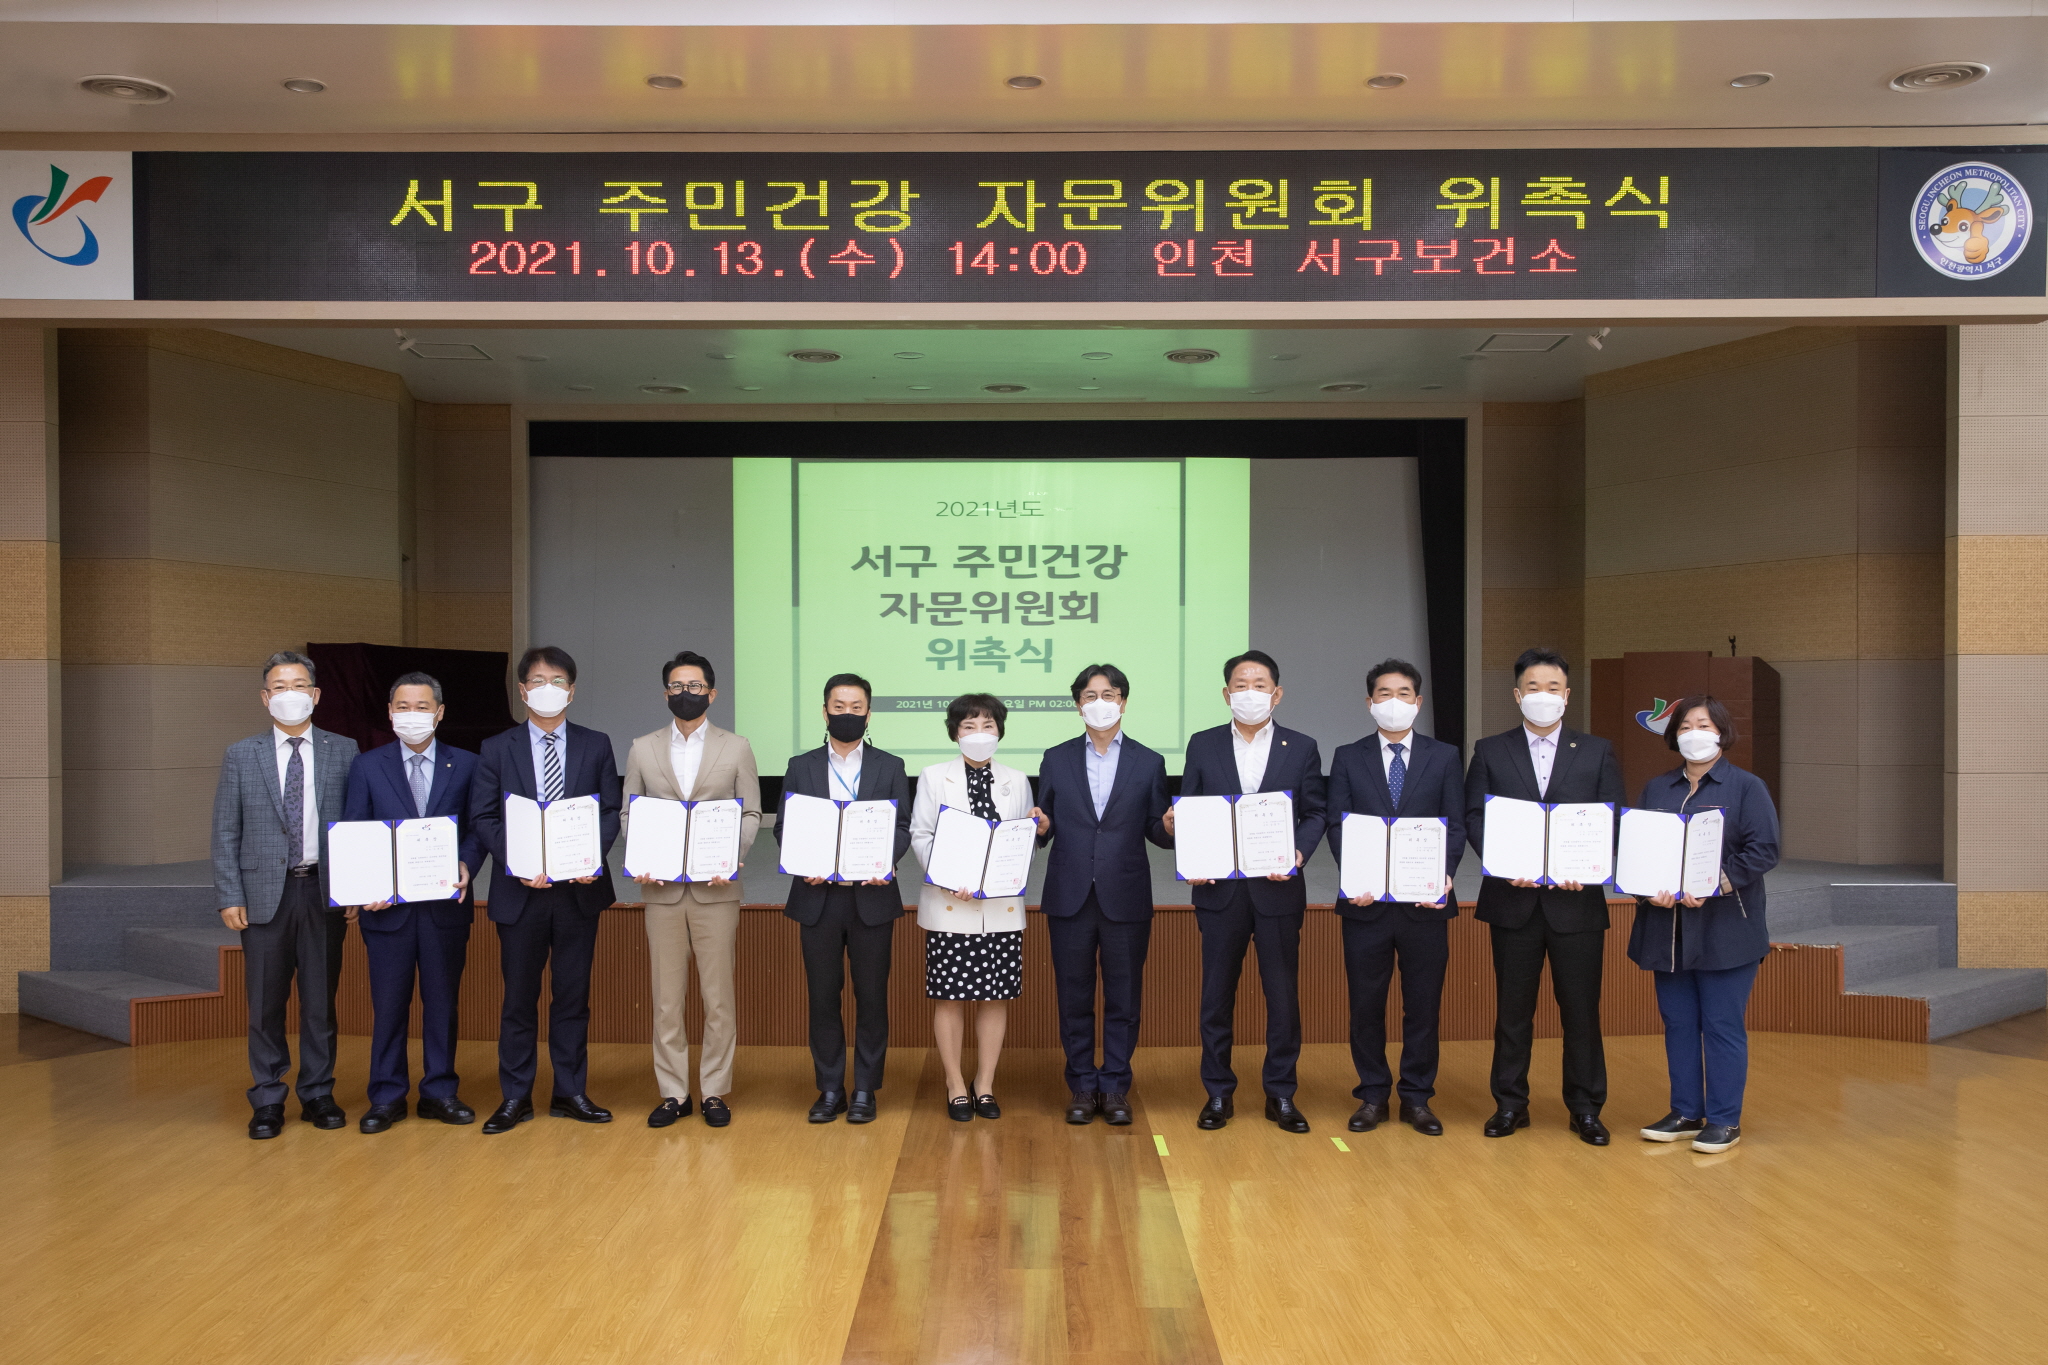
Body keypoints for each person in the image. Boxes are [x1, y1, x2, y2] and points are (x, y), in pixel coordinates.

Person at [1464, 647, 1625, 1146]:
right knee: (1513, 1011)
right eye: (1532, 687)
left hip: (1576, 904)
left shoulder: (1596, 751)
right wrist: (1503, 863)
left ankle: (1586, 1108)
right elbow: (1474, 817)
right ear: (1517, 695)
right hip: (1512, 903)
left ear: (1567, 695)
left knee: (1581, 1011)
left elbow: (1612, 818)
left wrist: (1588, 867)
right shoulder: (1490, 750)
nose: (1543, 695)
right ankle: (1510, 1104)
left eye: (1552, 687)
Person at [1169, 649, 1327, 1134]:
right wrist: (1185, 841)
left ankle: (1281, 1093)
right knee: (1216, 997)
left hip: (1278, 891)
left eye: (1260, 685)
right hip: (1220, 891)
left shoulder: (1302, 747)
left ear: (1277, 694)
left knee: (1282, 998)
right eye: (1241, 685)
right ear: (1226, 694)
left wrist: (1298, 854)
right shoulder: (1203, 744)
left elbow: (1315, 812)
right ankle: (1218, 1092)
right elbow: (1191, 808)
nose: (1250, 693)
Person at [470, 646, 623, 1135]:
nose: (547, 689)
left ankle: (569, 1091)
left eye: (557, 681)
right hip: (521, 893)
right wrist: (518, 861)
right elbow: (484, 816)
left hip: (578, 890)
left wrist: (590, 857)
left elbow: (609, 810)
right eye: (538, 680)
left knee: (572, 997)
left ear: (571, 691)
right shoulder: (497, 748)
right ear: (522, 690)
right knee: (519, 999)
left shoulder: (596, 744)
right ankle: (515, 1096)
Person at [210, 651, 359, 1140]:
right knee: (265, 1002)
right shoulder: (241, 754)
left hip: (323, 889)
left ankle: (318, 1092)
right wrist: (229, 894)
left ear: (315, 695)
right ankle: (268, 1097)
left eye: (298, 685)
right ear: (264, 697)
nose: (288, 694)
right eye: (279, 687)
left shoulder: (344, 750)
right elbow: (225, 830)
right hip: (262, 894)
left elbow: (357, 824)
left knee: (320, 1001)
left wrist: (355, 886)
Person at [1628, 695, 1780, 1154]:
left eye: (1704, 725)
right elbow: (1638, 851)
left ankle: (1724, 1120)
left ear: (1721, 733)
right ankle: (1685, 1112)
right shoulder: (1657, 789)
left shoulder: (1746, 787)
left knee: (1721, 1024)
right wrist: (1646, 889)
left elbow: (1764, 849)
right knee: (1678, 1023)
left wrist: (1715, 883)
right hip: (1667, 928)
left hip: (1725, 928)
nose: (1694, 733)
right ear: (1674, 735)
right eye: (1685, 726)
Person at [622, 649, 763, 1130]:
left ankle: (715, 1090)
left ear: (712, 693)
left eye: (695, 686)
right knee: (667, 999)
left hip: (716, 890)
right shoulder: (642, 747)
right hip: (661, 891)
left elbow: (750, 812)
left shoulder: (736, 747)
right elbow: (630, 812)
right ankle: (674, 1093)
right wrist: (641, 858)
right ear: (666, 694)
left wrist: (730, 856)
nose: (687, 693)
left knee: (717, 998)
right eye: (678, 687)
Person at [1326, 659, 1466, 1137]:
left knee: (1422, 1006)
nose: (1394, 702)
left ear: (1418, 702)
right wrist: (1355, 875)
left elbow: (1455, 824)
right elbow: (1337, 823)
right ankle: (1371, 1094)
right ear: (1369, 703)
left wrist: (1445, 874)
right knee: (1366, 1005)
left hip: (1425, 905)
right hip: (1366, 905)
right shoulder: (1348, 756)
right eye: (1384, 694)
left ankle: (1417, 1098)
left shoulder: (1444, 756)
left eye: (1403, 694)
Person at [340, 671, 483, 1133]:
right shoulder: (367, 766)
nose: (412, 715)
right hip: (387, 912)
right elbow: (355, 830)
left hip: (445, 908)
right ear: (389, 713)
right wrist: (365, 886)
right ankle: (386, 1095)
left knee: (442, 1003)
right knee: (389, 1005)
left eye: (422, 707)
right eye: (403, 707)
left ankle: (440, 1091)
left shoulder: (467, 764)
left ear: (439, 713)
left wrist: (467, 864)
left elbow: (479, 826)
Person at [1034, 663, 1171, 1126]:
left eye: (1109, 695)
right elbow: (1045, 822)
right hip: (1069, 894)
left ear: (1123, 702)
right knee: (1073, 997)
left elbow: (1155, 828)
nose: (1100, 703)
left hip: (1125, 894)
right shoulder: (1055, 758)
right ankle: (1081, 1085)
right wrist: (1041, 827)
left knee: (1123, 999)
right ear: (1079, 705)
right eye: (1090, 696)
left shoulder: (1149, 762)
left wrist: (1169, 828)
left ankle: (1114, 1086)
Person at [775, 673, 912, 1124]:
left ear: (868, 714)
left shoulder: (890, 766)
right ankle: (830, 1088)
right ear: (825, 711)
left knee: (871, 997)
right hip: (818, 897)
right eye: (839, 707)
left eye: (856, 708)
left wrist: (884, 860)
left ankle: (866, 1089)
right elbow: (784, 826)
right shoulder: (801, 765)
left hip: (872, 898)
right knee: (822, 998)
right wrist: (803, 860)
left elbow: (902, 826)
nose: (847, 714)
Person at [910, 693, 1038, 1121]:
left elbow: (1021, 841)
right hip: (949, 903)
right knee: (949, 998)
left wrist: (1005, 872)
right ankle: (954, 1083)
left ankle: (984, 1083)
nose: (979, 734)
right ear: (955, 733)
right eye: (969, 726)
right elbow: (921, 835)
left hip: (1000, 907)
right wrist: (948, 878)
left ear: (999, 732)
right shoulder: (933, 777)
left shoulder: (1017, 780)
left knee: (995, 998)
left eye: (987, 726)